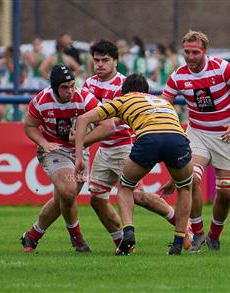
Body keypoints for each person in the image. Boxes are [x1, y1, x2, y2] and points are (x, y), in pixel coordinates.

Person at [82, 40, 191, 249]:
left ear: (116, 61)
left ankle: (182, 227)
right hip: (104, 148)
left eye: (105, 60)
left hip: (125, 144)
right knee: (96, 198)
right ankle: (123, 241)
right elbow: (85, 113)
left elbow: (111, 123)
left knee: (136, 195)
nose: (100, 65)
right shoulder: (89, 84)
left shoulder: (127, 87)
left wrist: (82, 140)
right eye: (96, 60)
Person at [160, 30, 230, 252]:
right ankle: (198, 233)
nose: (189, 57)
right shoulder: (178, 76)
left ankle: (214, 235)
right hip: (197, 133)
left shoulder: (222, 67)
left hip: (226, 135)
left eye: (194, 52)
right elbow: (163, 103)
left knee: (226, 193)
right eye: (186, 52)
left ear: (204, 52)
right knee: (191, 180)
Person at [20, 65, 115, 253]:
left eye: (72, 85)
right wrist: (44, 143)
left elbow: (108, 126)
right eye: (65, 87)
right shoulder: (41, 100)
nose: (70, 90)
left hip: (80, 151)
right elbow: (29, 125)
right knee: (69, 191)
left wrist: (81, 141)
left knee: (64, 197)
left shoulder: (85, 98)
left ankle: (32, 236)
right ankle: (77, 238)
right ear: (54, 88)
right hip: (54, 150)